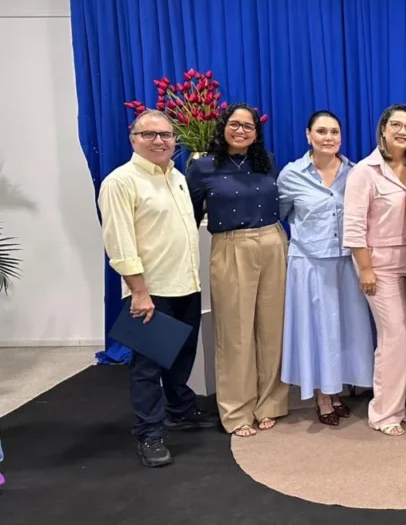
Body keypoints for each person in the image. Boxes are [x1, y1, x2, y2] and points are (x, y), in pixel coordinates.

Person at [98, 110, 217, 467]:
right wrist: (138, 291)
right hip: (150, 291)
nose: (159, 141)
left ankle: (179, 409)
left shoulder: (177, 177)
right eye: (149, 134)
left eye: (166, 135)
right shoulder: (121, 182)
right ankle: (149, 433)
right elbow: (120, 244)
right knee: (147, 366)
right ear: (133, 139)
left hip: (185, 285)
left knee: (181, 357)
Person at [186, 104, 290, 438]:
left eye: (248, 126)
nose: (241, 131)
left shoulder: (266, 161)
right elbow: (189, 217)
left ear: (256, 133)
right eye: (235, 124)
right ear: (223, 127)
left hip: (273, 241)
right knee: (235, 332)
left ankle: (270, 403)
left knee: (272, 328)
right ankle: (237, 410)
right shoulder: (203, 167)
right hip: (231, 246)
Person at [277, 110, 375, 425]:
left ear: (341, 137)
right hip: (309, 264)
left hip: (346, 262)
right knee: (317, 329)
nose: (328, 137)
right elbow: (282, 213)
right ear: (308, 135)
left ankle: (337, 390)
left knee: (343, 329)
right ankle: (322, 396)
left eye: (334, 132)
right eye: (321, 131)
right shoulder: (291, 175)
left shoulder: (355, 173)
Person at [343, 103, 406, 437]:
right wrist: (365, 269)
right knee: (394, 336)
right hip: (379, 268)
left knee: (405, 336)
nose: (403, 131)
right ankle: (384, 413)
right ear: (384, 130)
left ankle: (397, 405)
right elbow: (353, 226)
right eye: (396, 125)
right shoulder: (364, 172)